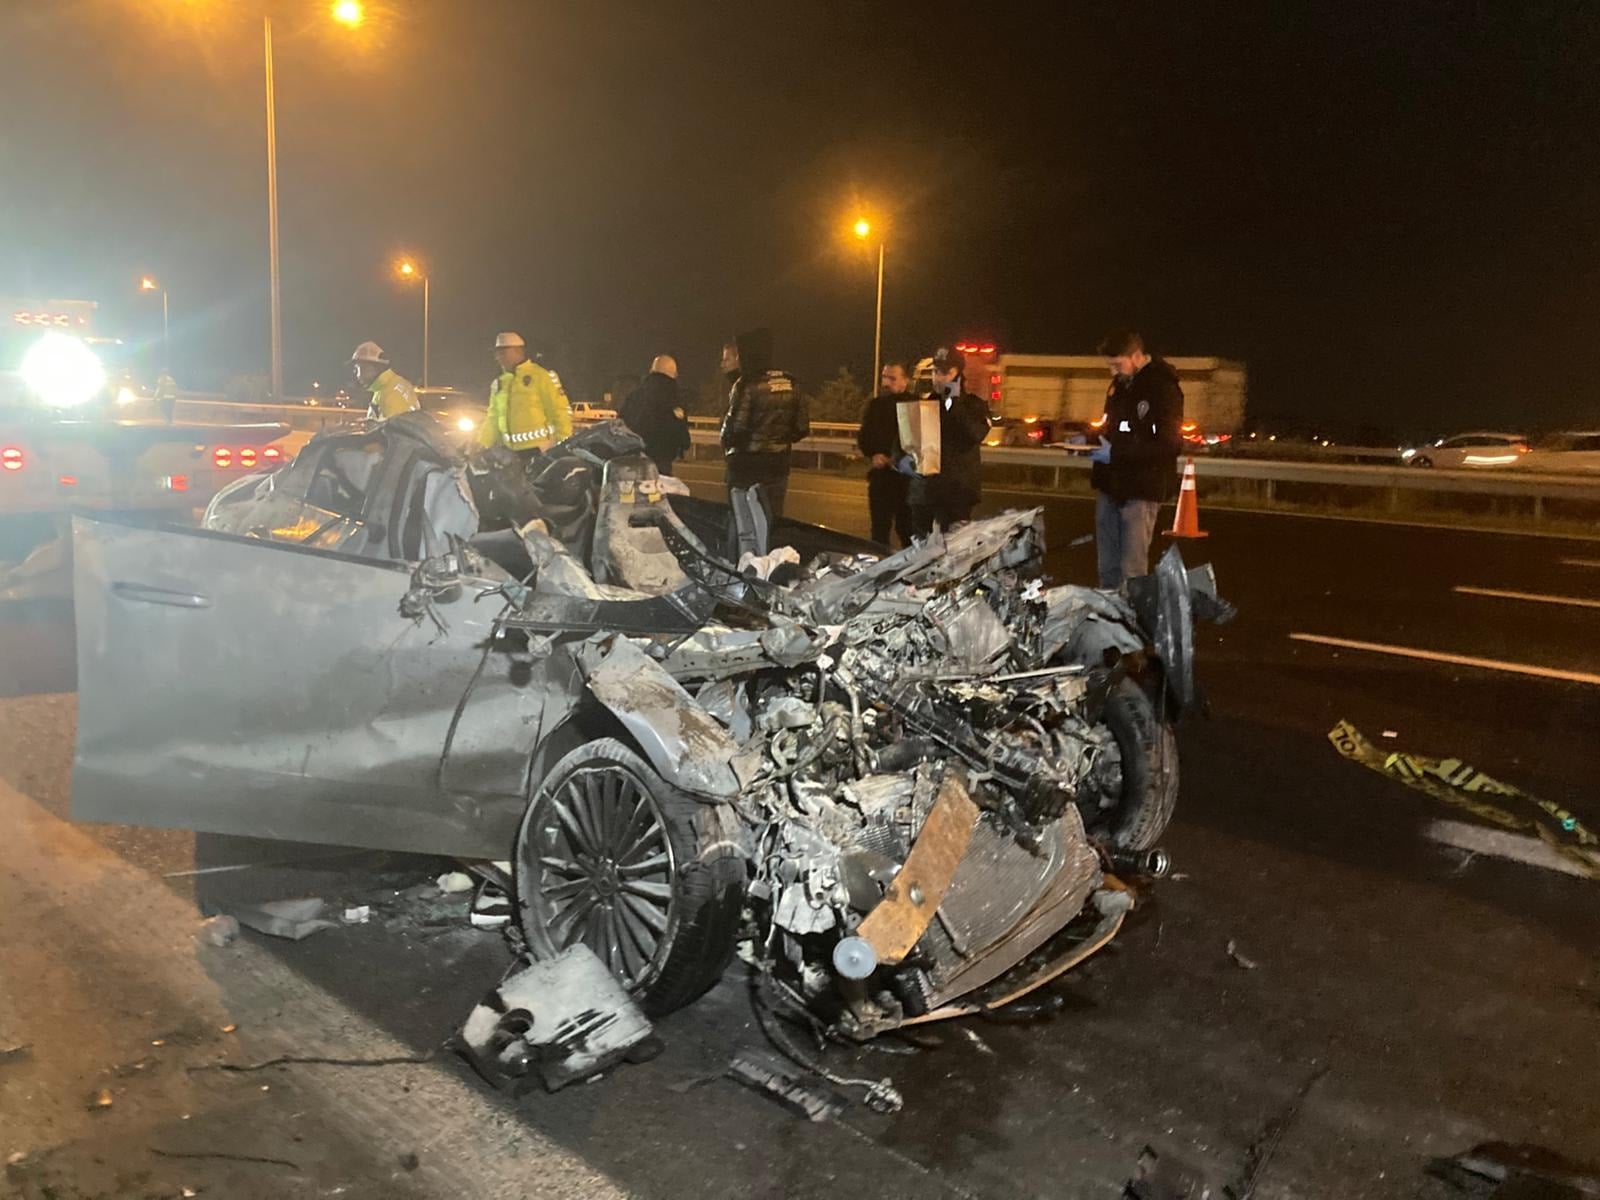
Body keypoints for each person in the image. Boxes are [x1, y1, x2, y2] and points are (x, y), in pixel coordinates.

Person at [1089, 329, 1184, 588]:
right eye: (1110, 365)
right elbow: (1112, 428)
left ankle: (1133, 612)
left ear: (1136, 356)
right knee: (1107, 566)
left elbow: (1169, 444)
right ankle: (1109, 610)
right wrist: (1087, 441)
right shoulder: (1120, 385)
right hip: (1111, 484)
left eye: (1117, 364)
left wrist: (1115, 453)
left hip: (1142, 488)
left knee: (1132, 567)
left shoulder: (1162, 387)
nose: (1113, 371)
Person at [719, 328, 808, 522]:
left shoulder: (746, 384)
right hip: (778, 465)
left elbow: (735, 430)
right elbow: (802, 428)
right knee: (772, 519)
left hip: (745, 466)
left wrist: (728, 442)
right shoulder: (791, 382)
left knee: (742, 521)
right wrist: (778, 440)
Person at [900, 345, 989, 537]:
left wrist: (953, 402)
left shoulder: (973, 405)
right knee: (922, 547)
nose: (938, 377)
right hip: (925, 494)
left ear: (958, 374)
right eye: (935, 371)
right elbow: (907, 440)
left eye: (945, 372)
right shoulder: (925, 404)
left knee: (953, 548)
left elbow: (975, 434)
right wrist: (901, 459)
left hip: (956, 495)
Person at [478, 331, 573, 454]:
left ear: (517, 351)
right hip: (510, 454)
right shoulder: (499, 383)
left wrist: (564, 445)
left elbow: (560, 411)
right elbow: (493, 418)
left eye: (502, 353)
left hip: (541, 451)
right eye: (497, 354)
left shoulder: (541, 376)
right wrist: (481, 444)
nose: (498, 358)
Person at [856, 360, 913, 547]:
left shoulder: (916, 405)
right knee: (879, 533)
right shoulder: (875, 405)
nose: (886, 383)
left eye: (892, 378)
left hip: (908, 481)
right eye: (884, 377)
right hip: (881, 478)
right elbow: (864, 437)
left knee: (908, 531)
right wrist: (873, 454)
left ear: (905, 381)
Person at [620, 354, 691, 475]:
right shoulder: (674, 399)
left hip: (633, 462)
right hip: (661, 462)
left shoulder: (635, 396)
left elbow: (621, 425)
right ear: (673, 374)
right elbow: (682, 438)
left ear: (651, 371)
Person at [350, 341, 418, 421]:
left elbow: (394, 427)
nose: (358, 375)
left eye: (361, 368)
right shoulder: (388, 386)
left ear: (376, 367)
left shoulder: (391, 394)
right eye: (356, 370)